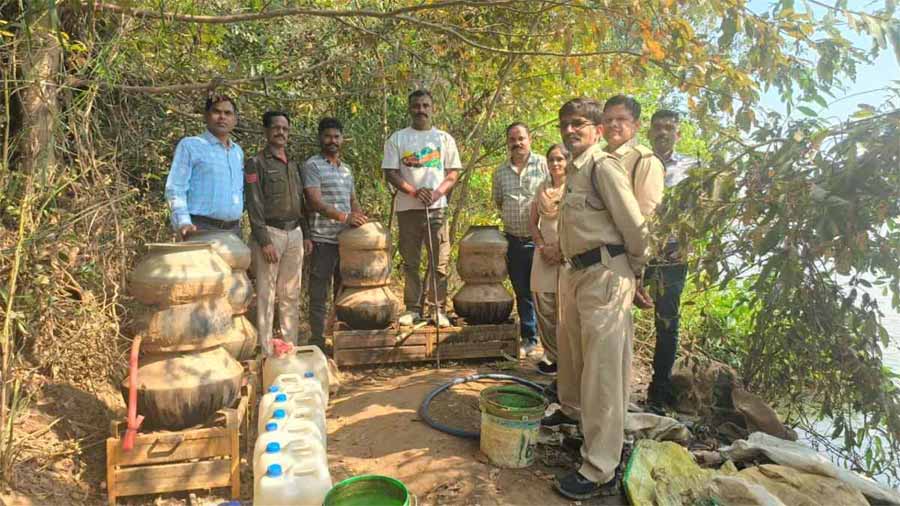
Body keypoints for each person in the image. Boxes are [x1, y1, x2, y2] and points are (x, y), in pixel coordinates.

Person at [543, 97, 663, 499]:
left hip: (606, 275)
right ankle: (588, 443)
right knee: (579, 365)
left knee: (604, 375)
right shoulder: (575, 173)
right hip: (579, 274)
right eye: (565, 123)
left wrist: (634, 273)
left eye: (579, 123)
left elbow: (636, 226)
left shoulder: (602, 167)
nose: (570, 130)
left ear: (595, 130)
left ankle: (600, 469)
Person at [382, 89, 462, 328]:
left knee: (439, 260)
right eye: (416, 106)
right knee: (411, 261)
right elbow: (390, 172)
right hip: (407, 208)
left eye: (425, 105)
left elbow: (453, 172)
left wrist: (436, 193)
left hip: (436, 208)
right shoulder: (398, 138)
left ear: (432, 108)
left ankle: (437, 308)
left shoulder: (444, 139)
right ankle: (413, 308)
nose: (421, 110)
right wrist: (414, 191)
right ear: (410, 108)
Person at [640, 109, 698, 411]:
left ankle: (659, 389)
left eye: (669, 127)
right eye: (657, 127)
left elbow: (701, 210)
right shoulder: (638, 162)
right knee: (616, 309)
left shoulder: (692, 167)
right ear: (649, 132)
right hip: (637, 250)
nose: (662, 132)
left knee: (667, 322)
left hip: (673, 253)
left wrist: (687, 244)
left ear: (678, 133)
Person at [244, 111, 311, 355]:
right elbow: (254, 203)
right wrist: (264, 241)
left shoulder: (293, 164)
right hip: (270, 234)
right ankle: (266, 351)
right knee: (266, 294)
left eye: (284, 128)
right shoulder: (257, 163)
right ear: (266, 131)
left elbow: (302, 202)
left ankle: (289, 347)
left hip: (295, 233)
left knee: (290, 293)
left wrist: (307, 234)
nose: (280, 132)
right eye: (276, 128)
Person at [303, 117, 368, 349]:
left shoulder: (346, 170)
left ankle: (342, 339)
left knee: (346, 291)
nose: (333, 141)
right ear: (320, 138)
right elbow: (315, 201)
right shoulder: (312, 165)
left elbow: (352, 200)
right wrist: (344, 217)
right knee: (319, 293)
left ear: (342, 140)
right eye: (328, 136)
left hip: (347, 243)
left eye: (336, 136)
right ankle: (318, 341)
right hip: (322, 239)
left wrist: (361, 221)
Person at [491, 123, 548, 356]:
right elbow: (498, 201)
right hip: (513, 240)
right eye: (513, 139)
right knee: (522, 291)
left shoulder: (544, 164)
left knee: (545, 293)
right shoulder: (500, 172)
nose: (517, 143)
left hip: (542, 241)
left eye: (521, 138)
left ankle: (550, 343)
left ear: (530, 139)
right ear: (508, 142)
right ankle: (529, 338)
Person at [165, 95, 244, 238]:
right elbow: (176, 187)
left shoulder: (237, 152)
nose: (222, 117)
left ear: (235, 120)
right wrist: (183, 223)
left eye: (227, 113)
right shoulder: (191, 145)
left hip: (234, 230)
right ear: (206, 116)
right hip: (201, 228)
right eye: (216, 112)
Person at [528, 143, 569, 375]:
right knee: (544, 304)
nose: (555, 164)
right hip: (543, 253)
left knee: (565, 308)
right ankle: (552, 357)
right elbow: (533, 223)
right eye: (552, 159)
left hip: (567, 254)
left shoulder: (573, 188)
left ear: (567, 162)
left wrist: (561, 249)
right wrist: (543, 246)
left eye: (560, 159)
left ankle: (568, 360)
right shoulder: (541, 188)